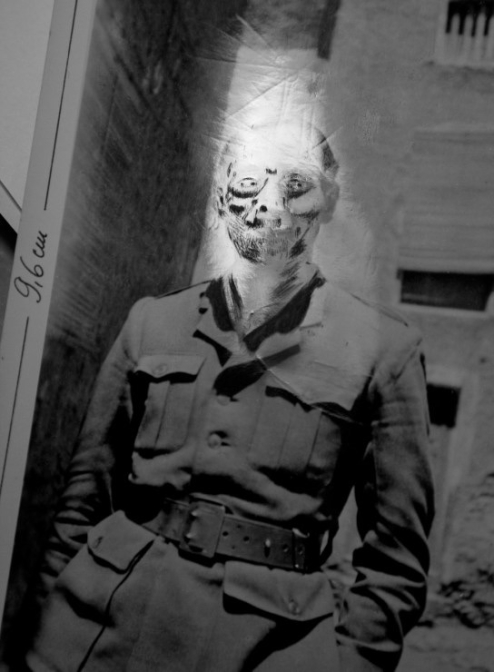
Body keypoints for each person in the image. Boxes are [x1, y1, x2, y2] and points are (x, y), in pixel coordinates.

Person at [26, 120, 434, 672]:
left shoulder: (383, 350)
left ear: (329, 204)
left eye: (295, 185)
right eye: (247, 181)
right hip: (100, 635)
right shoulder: (153, 322)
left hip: (266, 647)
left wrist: (348, 662)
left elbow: (396, 563)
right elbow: (81, 504)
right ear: (221, 196)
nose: (268, 203)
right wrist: (53, 627)